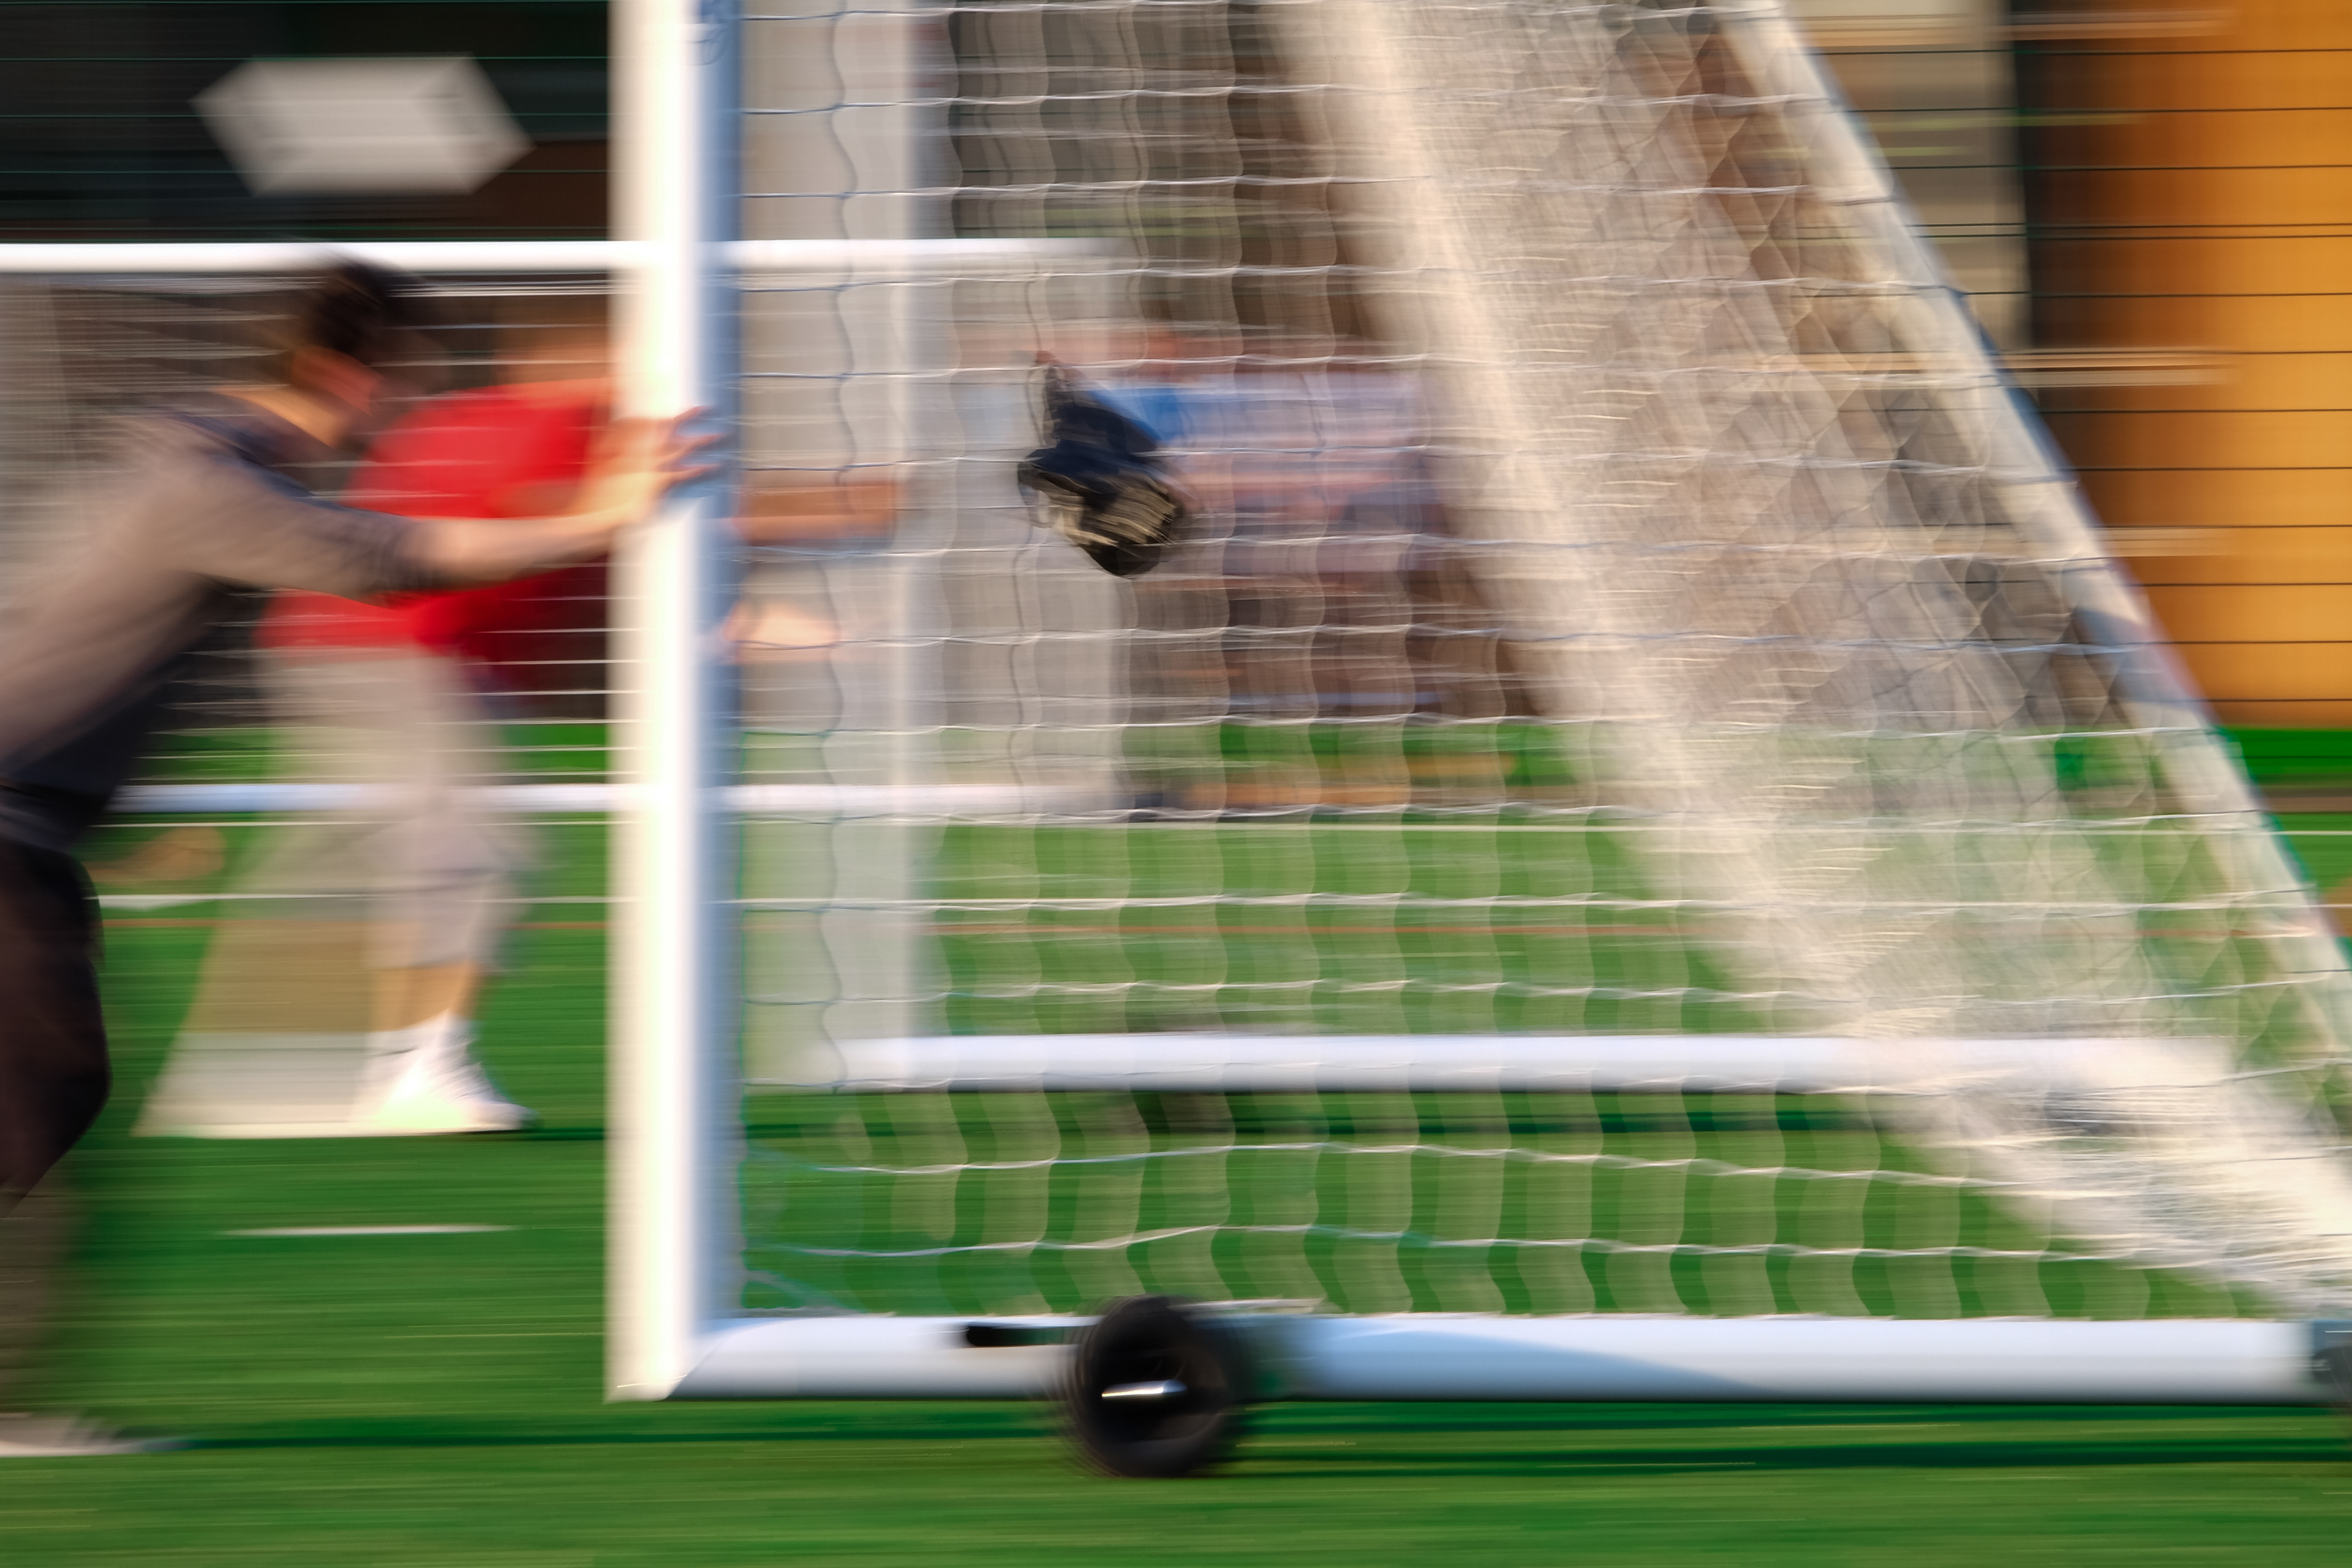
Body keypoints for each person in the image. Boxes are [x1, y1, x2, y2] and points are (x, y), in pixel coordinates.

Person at [0, 263, 699, 1454]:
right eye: (411, 381)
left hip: (29, 832)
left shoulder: (181, 459)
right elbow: (386, 556)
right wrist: (602, 517)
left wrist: (113, 816)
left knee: (54, 1094)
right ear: (351, 374)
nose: (413, 410)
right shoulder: (198, 480)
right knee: (45, 1094)